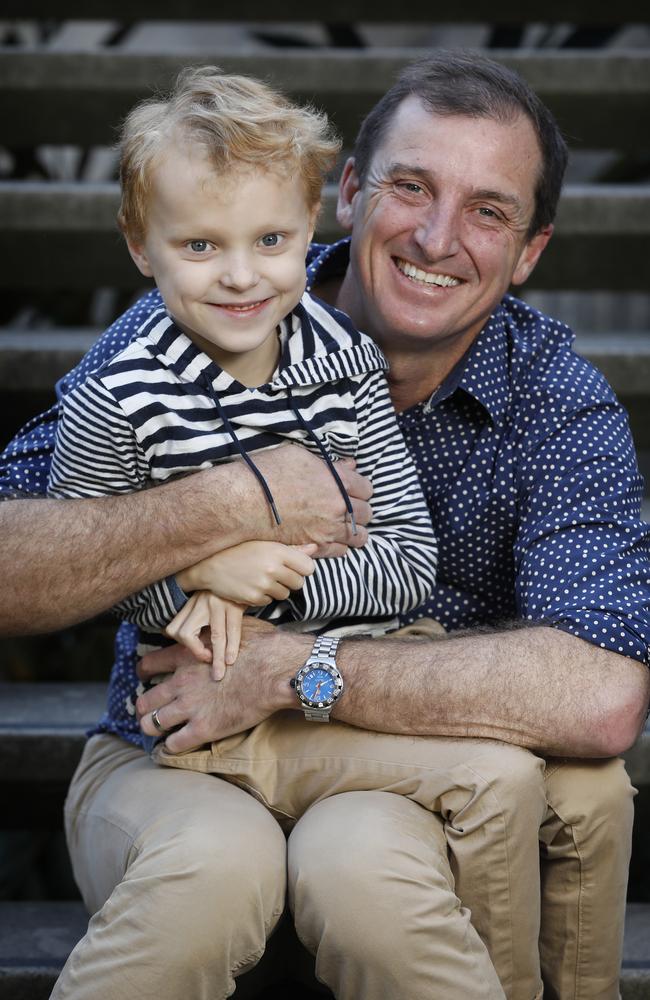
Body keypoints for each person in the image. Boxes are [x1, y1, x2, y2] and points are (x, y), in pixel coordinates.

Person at [0, 51, 648, 1000]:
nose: (436, 237)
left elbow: (599, 695)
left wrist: (290, 667)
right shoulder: (181, 329)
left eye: (488, 210)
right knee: (211, 876)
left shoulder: (553, 401)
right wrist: (237, 506)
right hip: (182, 751)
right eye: (411, 186)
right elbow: (21, 553)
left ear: (531, 251)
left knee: (375, 875)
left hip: (399, 775)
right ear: (347, 194)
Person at [46, 67, 438, 680]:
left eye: (270, 240)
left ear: (311, 225)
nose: (239, 275)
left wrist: (258, 579)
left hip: (365, 668)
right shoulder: (113, 400)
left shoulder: (349, 357)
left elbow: (409, 563)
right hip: (209, 687)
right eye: (200, 246)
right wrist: (188, 579)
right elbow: (86, 580)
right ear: (140, 245)